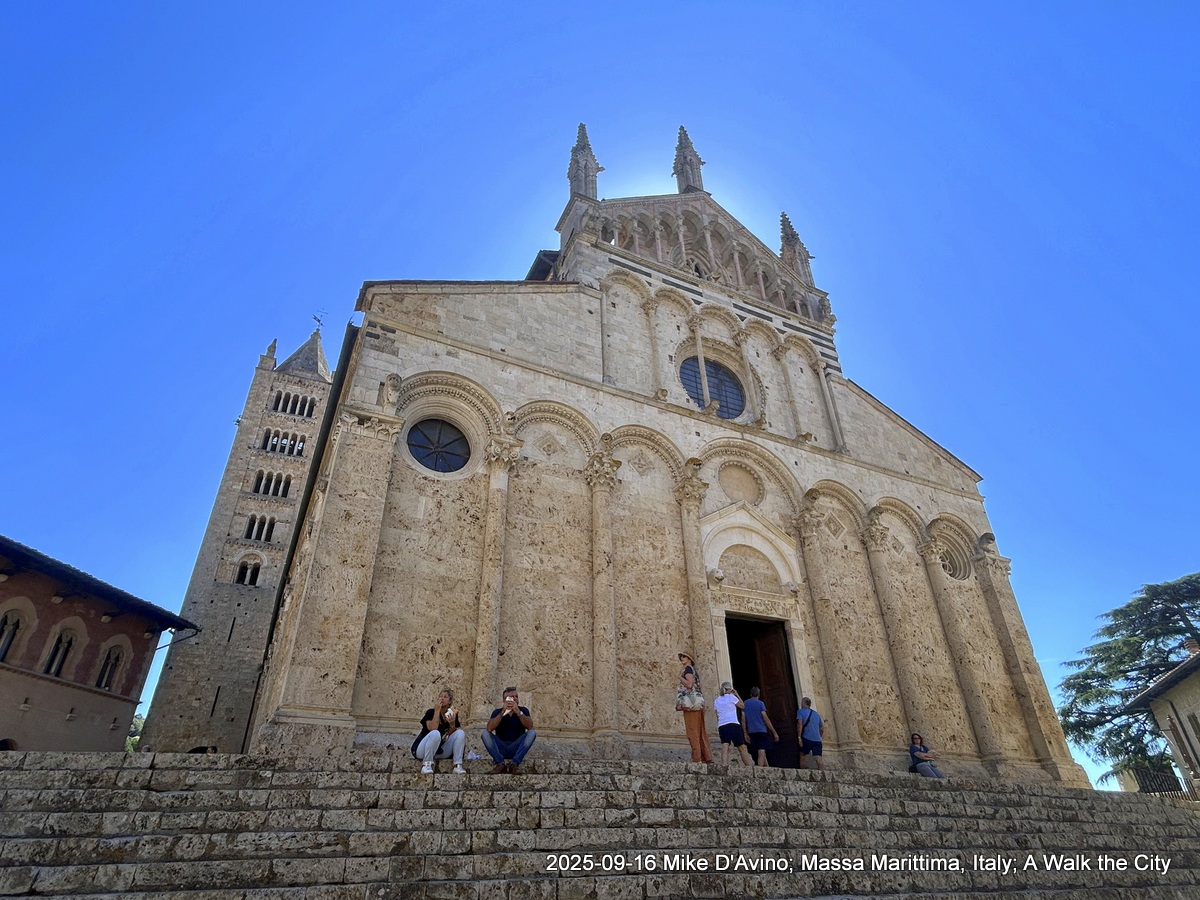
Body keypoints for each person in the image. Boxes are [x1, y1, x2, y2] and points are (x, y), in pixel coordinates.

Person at [411, 687, 465, 774]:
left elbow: (450, 734)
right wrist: (437, 711)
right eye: (440, 696)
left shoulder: (451, 714)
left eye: (445, 697)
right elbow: (432, 728)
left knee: (460, 733)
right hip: (422, 750)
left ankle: (458, 766)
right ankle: (427, 765)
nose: (442, 698)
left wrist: (452, 724)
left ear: (450, 701)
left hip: (439, 750)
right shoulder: (431, 712)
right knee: (435, 733)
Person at [483, 686, 537, 774]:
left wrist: (518, 713)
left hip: (516, 747)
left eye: (516, 696)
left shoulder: (523, 711)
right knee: (485, 734)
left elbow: (530, 727)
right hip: (501, 747)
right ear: (505, 700)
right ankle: (500, 763)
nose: (515, 699)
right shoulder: (497, 712)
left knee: (532, 733)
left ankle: (514, 763)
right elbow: (489, 728)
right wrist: (502, 712)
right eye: (512, 697)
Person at [676, 652, 713, 763]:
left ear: (689, 659)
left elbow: (689, 684)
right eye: (681, 656)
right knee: (700, 730)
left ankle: (697, 758)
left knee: (692, 731)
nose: (682, 658)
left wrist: (679, 677)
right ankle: (706, 756)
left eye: (684, 656)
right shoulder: (693, 670)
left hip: (691, 705)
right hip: (697, 704)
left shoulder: (687, 670)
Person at [713, 682, 753, 766]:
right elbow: (742, 706)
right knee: (741, 747)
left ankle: (724, 765)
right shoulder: (732, 697)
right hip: (733, 724)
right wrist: (737, 694)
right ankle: (748, 766)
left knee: (725, 746)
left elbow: (717, 715)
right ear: (730, 689)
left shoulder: (716, 700)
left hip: (722, 725)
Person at [742, 687, 780, 767]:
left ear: (751, 694)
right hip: (761, 730)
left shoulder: (745, 703)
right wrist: (774, 732)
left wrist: (745, 732)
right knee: (761, 750)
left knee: (760, 749)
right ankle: (760, 769)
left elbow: (743, 719)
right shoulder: (760, 704)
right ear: (759, 694)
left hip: (751, 731)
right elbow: (766, 719)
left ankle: (767, 768)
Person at [797, 696, 825, 770]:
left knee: (802, 754)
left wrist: (799, 737)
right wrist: (820, 737)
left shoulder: (800, 712)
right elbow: (822, 728)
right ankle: (823, 770)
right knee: (818, 757)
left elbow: (800, 724)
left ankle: (804, 770)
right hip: (817, 740)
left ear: (803, 703)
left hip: (807, 738)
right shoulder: (817, 714)